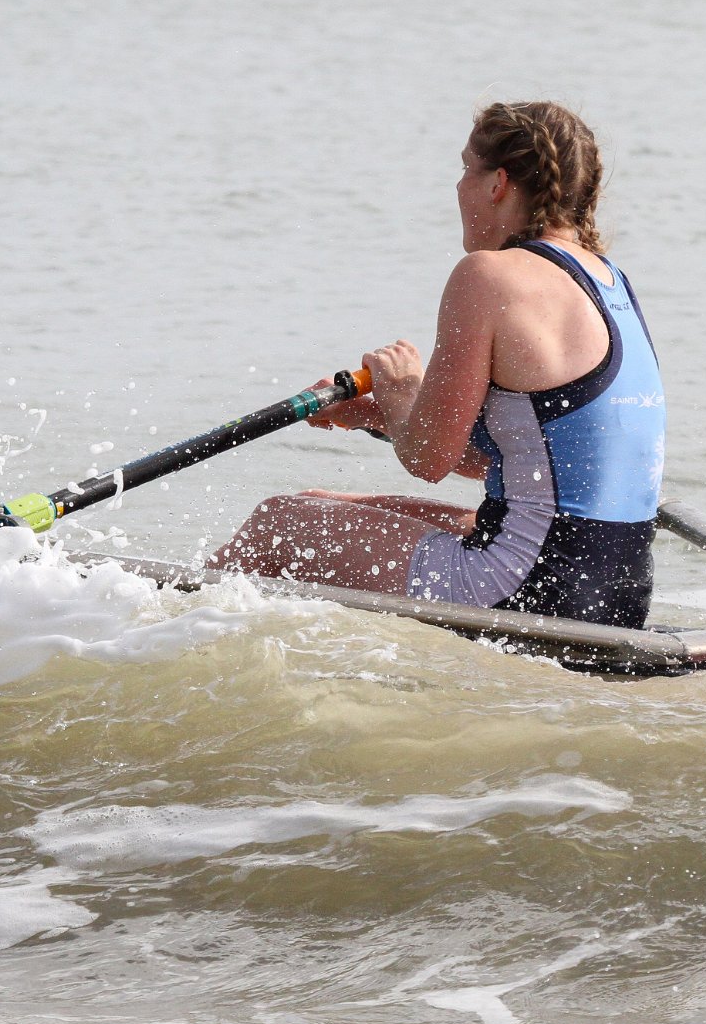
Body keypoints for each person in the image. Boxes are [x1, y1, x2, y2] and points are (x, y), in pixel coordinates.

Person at [206, 101, 666, 628]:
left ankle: (161, 641)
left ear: (497, 183)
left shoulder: (487, 276)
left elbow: (426, 459)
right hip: (617, 592)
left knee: (278, 523)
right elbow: (512, 461)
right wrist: (375, 416)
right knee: (319, 502)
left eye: (465, 168)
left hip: (527, 592)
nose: (457, 187)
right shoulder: (609, 280)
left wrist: (404, 390)